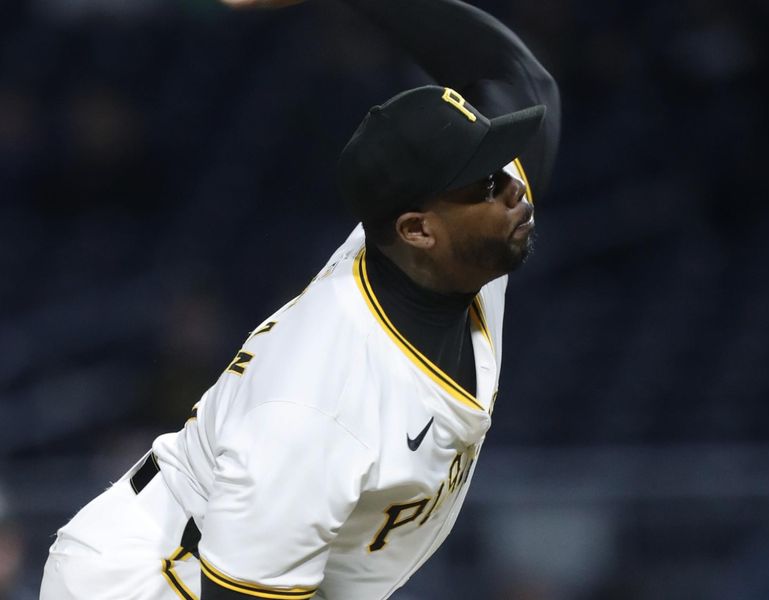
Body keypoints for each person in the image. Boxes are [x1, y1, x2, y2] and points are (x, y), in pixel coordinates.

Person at [40, 0, 561, 598]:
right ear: (418, 228)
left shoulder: (448, 254)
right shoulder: (322, 401)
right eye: (488, 184)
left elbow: (522, 82)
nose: (514, 191)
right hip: (151, 580)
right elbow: (240, 591)